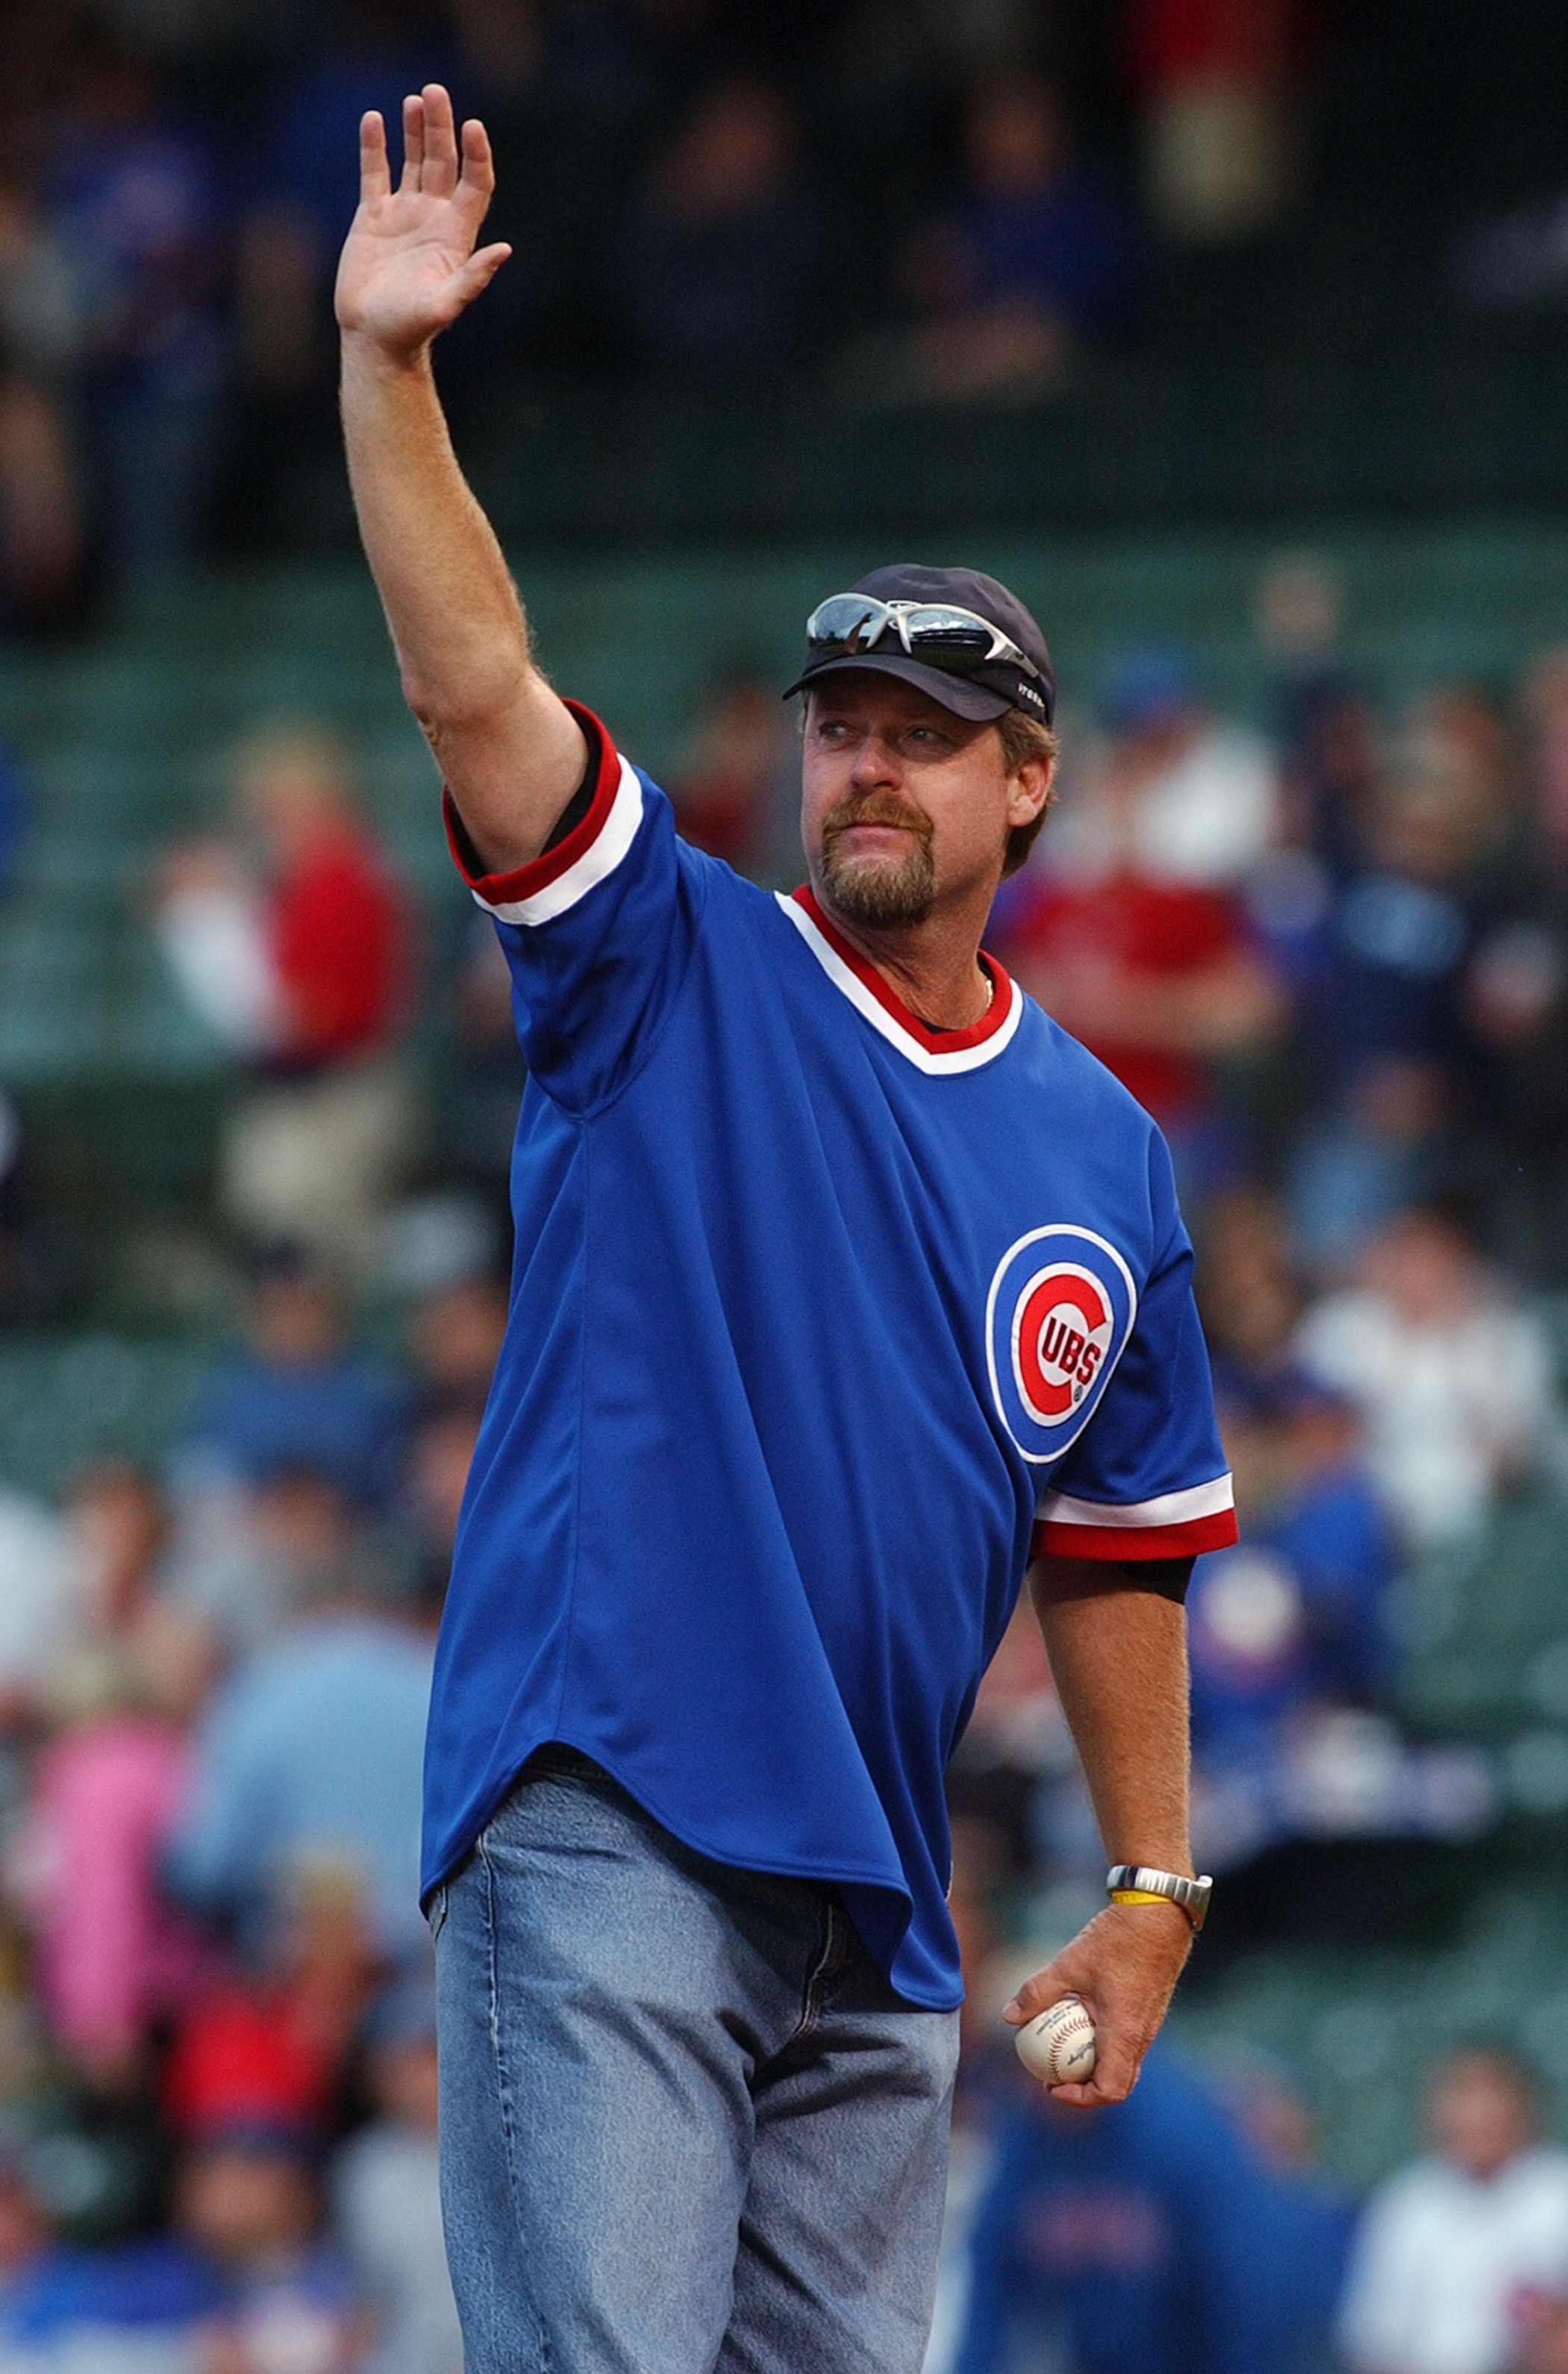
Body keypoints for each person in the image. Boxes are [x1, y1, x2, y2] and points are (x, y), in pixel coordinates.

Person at [334, 84, 1237, 2374]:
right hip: (609, 1808)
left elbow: (1123, 1552)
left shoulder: (1102, 1154)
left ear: (1023, 781)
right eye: (839, 722)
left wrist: (1146, 1887)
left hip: (876, 1912)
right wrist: (390, 372)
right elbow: (473, 689)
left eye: (923, 732)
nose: (863, 762)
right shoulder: (669, 955)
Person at [1338, 2047, 1568, 2374]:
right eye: (1458, 2094)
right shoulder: (1407, 2201)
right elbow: (1372, 2345)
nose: (1473, 2111)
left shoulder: (1558, 2190)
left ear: (1524, 2102)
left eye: (1488, 2092)